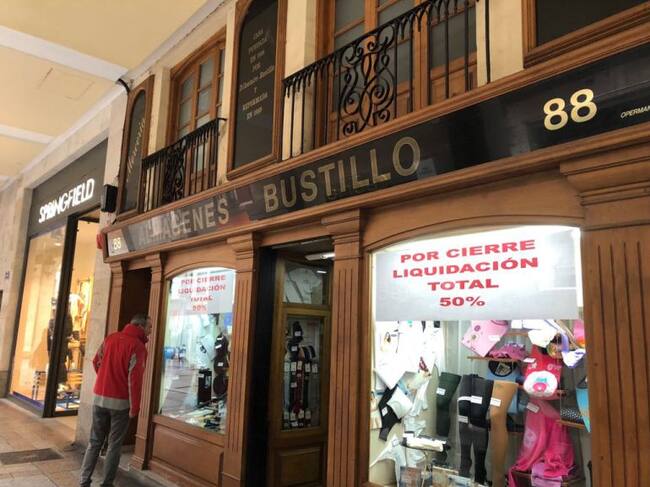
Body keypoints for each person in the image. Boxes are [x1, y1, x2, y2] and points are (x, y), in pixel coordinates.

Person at [79, 313, 151, 487]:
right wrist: (135, 407)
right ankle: (107, 483)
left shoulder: (110, 338)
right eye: (149, 327)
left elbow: (96, 361)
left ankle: (84, 480)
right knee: (114, 444)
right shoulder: (138, 347)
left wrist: (105, 380)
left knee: (94, 442)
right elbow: (135, 380)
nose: (150, 331)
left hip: (99, 398)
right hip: (120, 403)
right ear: (140, 327)